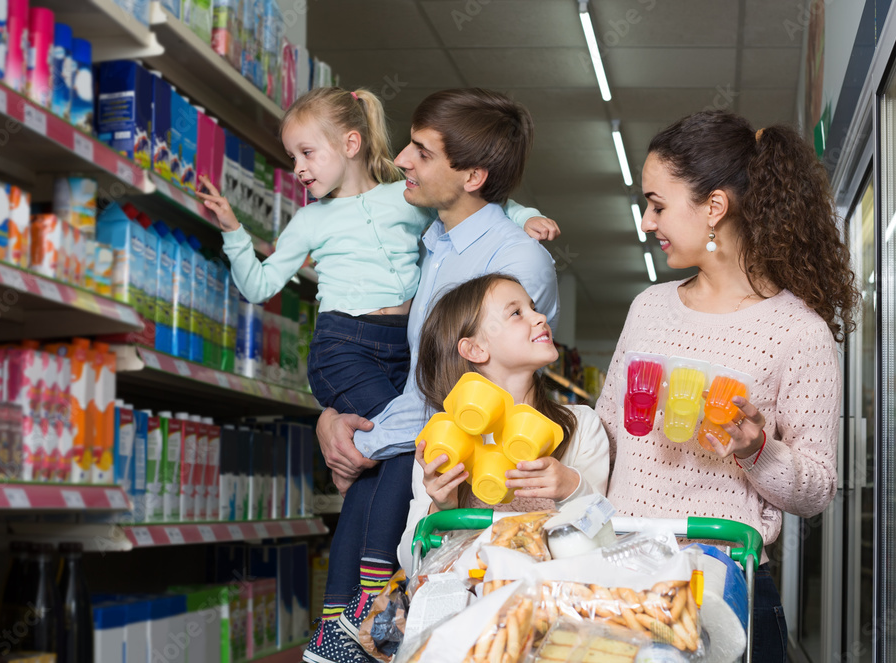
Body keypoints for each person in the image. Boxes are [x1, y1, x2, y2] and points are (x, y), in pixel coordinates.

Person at [595, 110, 859, 662]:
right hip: (621, 574)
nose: (647, 221)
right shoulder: (649, 308)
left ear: (714, 207)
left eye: (658, 205)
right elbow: (604, 439)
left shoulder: (798, 332)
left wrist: (757, 448)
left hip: (725, 589)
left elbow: (816, 491)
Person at [312, 89, 561, 663]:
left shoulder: (516, 264)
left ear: (473, 175)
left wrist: (362, 443)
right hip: (423, 469)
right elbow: (418, 383)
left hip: (472, 492)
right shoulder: (436, 245)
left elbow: (464, 394)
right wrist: (336, 420)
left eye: (422, 152)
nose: (401, 159)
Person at [197, 87, 556, 428]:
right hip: (343, 344)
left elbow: (478, 203)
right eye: (293, 158)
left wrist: (526, 217)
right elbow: (258, 287)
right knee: (396, 441)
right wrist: (233, 232)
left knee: (404, 437)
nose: (298, 169)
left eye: (307, 153)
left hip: (400, 345)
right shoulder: (308, 220)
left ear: (351, 144)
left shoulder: (408, 196)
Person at [397, 273, 610, 568]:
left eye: (533, 307)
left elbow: (604, 540)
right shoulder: (444, 440)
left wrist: (572, 488)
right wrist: (442, 508)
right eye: (516, 313)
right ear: (475, 349)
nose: (540, 317)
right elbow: (411, 565)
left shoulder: (581, 425)